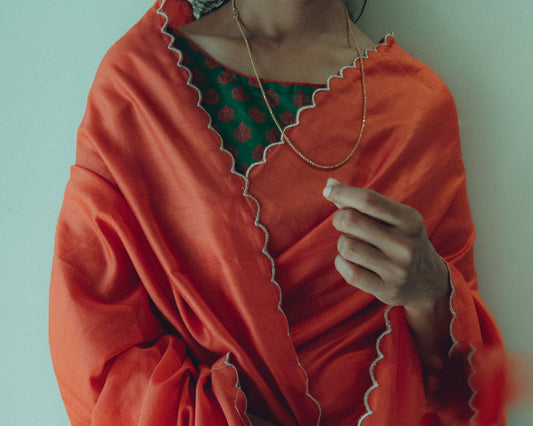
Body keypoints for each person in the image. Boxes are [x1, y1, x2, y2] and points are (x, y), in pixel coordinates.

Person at [49, 0, 509, 424]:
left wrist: (431, 291)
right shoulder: (139, 84)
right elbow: (93, 337)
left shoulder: (415, 110)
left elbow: (464, 389)